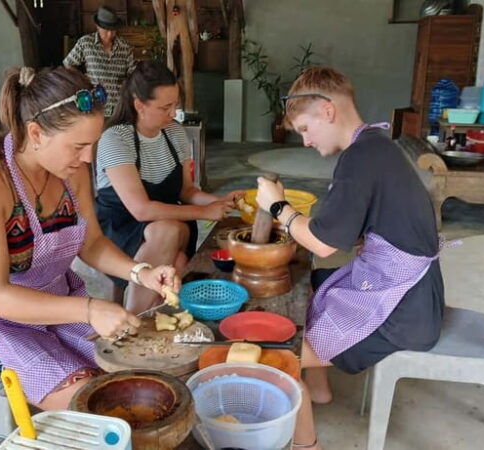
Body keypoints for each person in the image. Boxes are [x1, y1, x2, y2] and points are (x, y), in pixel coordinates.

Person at [0, 65, 180, 410]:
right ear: (36, 133)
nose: (87, 158)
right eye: (78, 146)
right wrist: (89, 308)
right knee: (95, 404)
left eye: (92, 145)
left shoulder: (72, 171)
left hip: (55, 305)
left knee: (130, 375)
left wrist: (140, 272)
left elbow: (92, 243)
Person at [256, 66, 444, 449]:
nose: (306, 142)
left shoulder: (360, 159)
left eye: (306, 130)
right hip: (414, 290)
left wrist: (278, 206)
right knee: (312, 285)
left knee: (274, 358)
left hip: (405, 310)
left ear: (327, 111)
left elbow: (323, 244)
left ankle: (307, 444)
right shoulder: (373, 146)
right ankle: (319, 388)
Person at [94, 60, 243, 314]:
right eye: (165, 107)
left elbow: (186, 192)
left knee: (170, 233)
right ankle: (135, 319)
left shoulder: (174, 133)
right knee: (176, 258)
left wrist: (218, 202)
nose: (173, 113)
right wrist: (204, 213)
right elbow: (141, 210)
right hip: (119, 228)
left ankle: (135, 322)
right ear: (139, 105)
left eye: (175, 104)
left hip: (168, 223)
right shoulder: (116, 139)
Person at [63, 5, 135, 117]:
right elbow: (68, 64)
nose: (110, 34)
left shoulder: (125, 46)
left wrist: (127, 82)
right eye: (106, 30)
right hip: (96, 108)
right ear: (97, 26)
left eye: (113, 30)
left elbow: (133, 72)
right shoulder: (86, 43)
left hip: (119, 108)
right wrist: (82, 80)